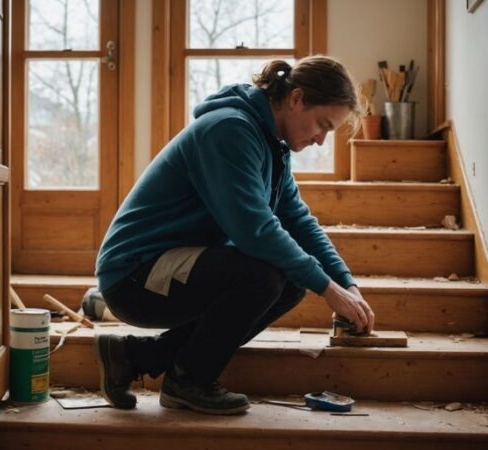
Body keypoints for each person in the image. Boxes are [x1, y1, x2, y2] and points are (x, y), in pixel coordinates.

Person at [93, 56, 376, 416]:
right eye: (321, 124)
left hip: (171, 265)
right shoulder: (229, 130)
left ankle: (135, 357)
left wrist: (345, 284)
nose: (320, 140)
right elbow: (254, 231)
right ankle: (188, 381)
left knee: (288, 281)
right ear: (296, 98)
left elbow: (298, 220)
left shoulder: (274, 146)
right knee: (262, 275)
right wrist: (327, 289)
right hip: (133, 274)